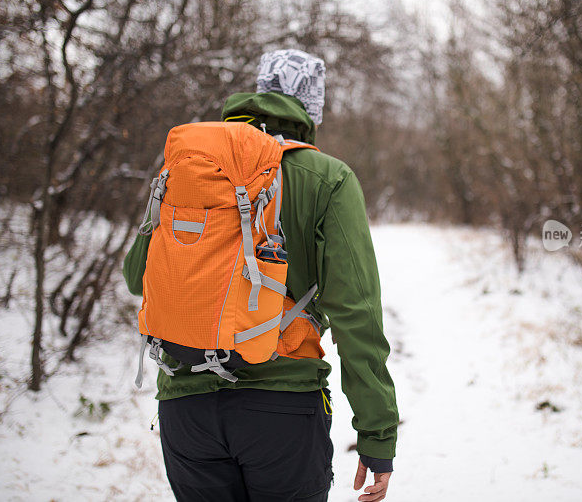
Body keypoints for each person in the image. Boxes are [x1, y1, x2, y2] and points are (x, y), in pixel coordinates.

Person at [123, 49, 398, 502]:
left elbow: (138, 276)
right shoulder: (327, 177)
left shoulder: (194, 166)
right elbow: (356, 314)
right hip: (282, 407)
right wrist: (377, 434)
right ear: (313, 110)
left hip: (184, 407)